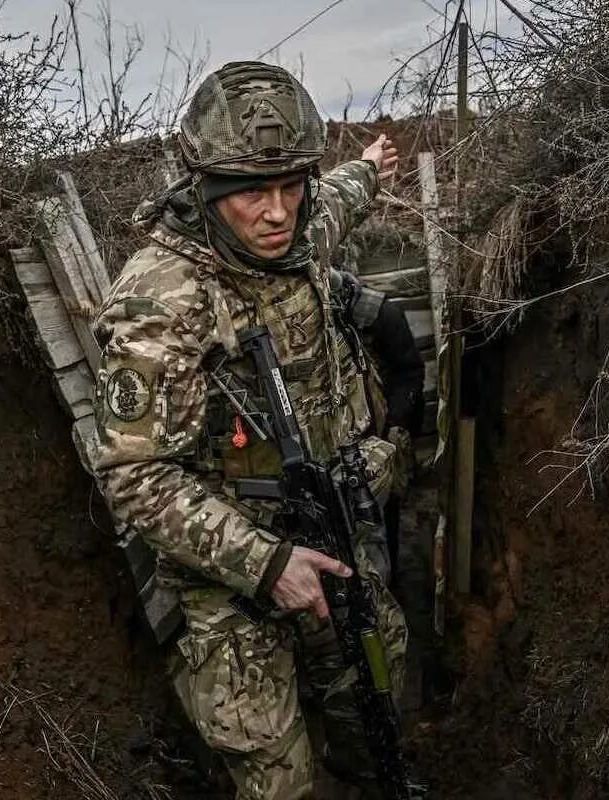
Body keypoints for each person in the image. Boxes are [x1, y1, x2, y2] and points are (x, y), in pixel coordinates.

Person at [91, 61, 409, 799]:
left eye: (290, 187)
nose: (276, 213)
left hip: (334, 530)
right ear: (205, 191)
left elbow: (339, 198)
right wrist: (269, 564)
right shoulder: (160, 304)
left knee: (376, 701)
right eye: (251, 195)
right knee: (276, 776)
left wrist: (369, 165)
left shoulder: (301, 223)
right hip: (231, 570)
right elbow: (135, 476)